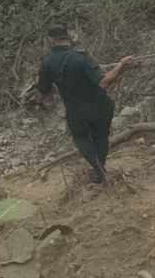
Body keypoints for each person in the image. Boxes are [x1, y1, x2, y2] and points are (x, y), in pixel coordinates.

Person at [32, 24, 136, 184]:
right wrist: (121, 65)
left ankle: (99, 170)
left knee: (80, 138)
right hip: (101, 106)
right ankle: (101, 171)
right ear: (67, 37)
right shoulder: (81, 57)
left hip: (76, 110)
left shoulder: (47, 63)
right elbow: (104, 81)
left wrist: (42, 99)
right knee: (101, 137)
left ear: (51, 40)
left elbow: (43, 91)